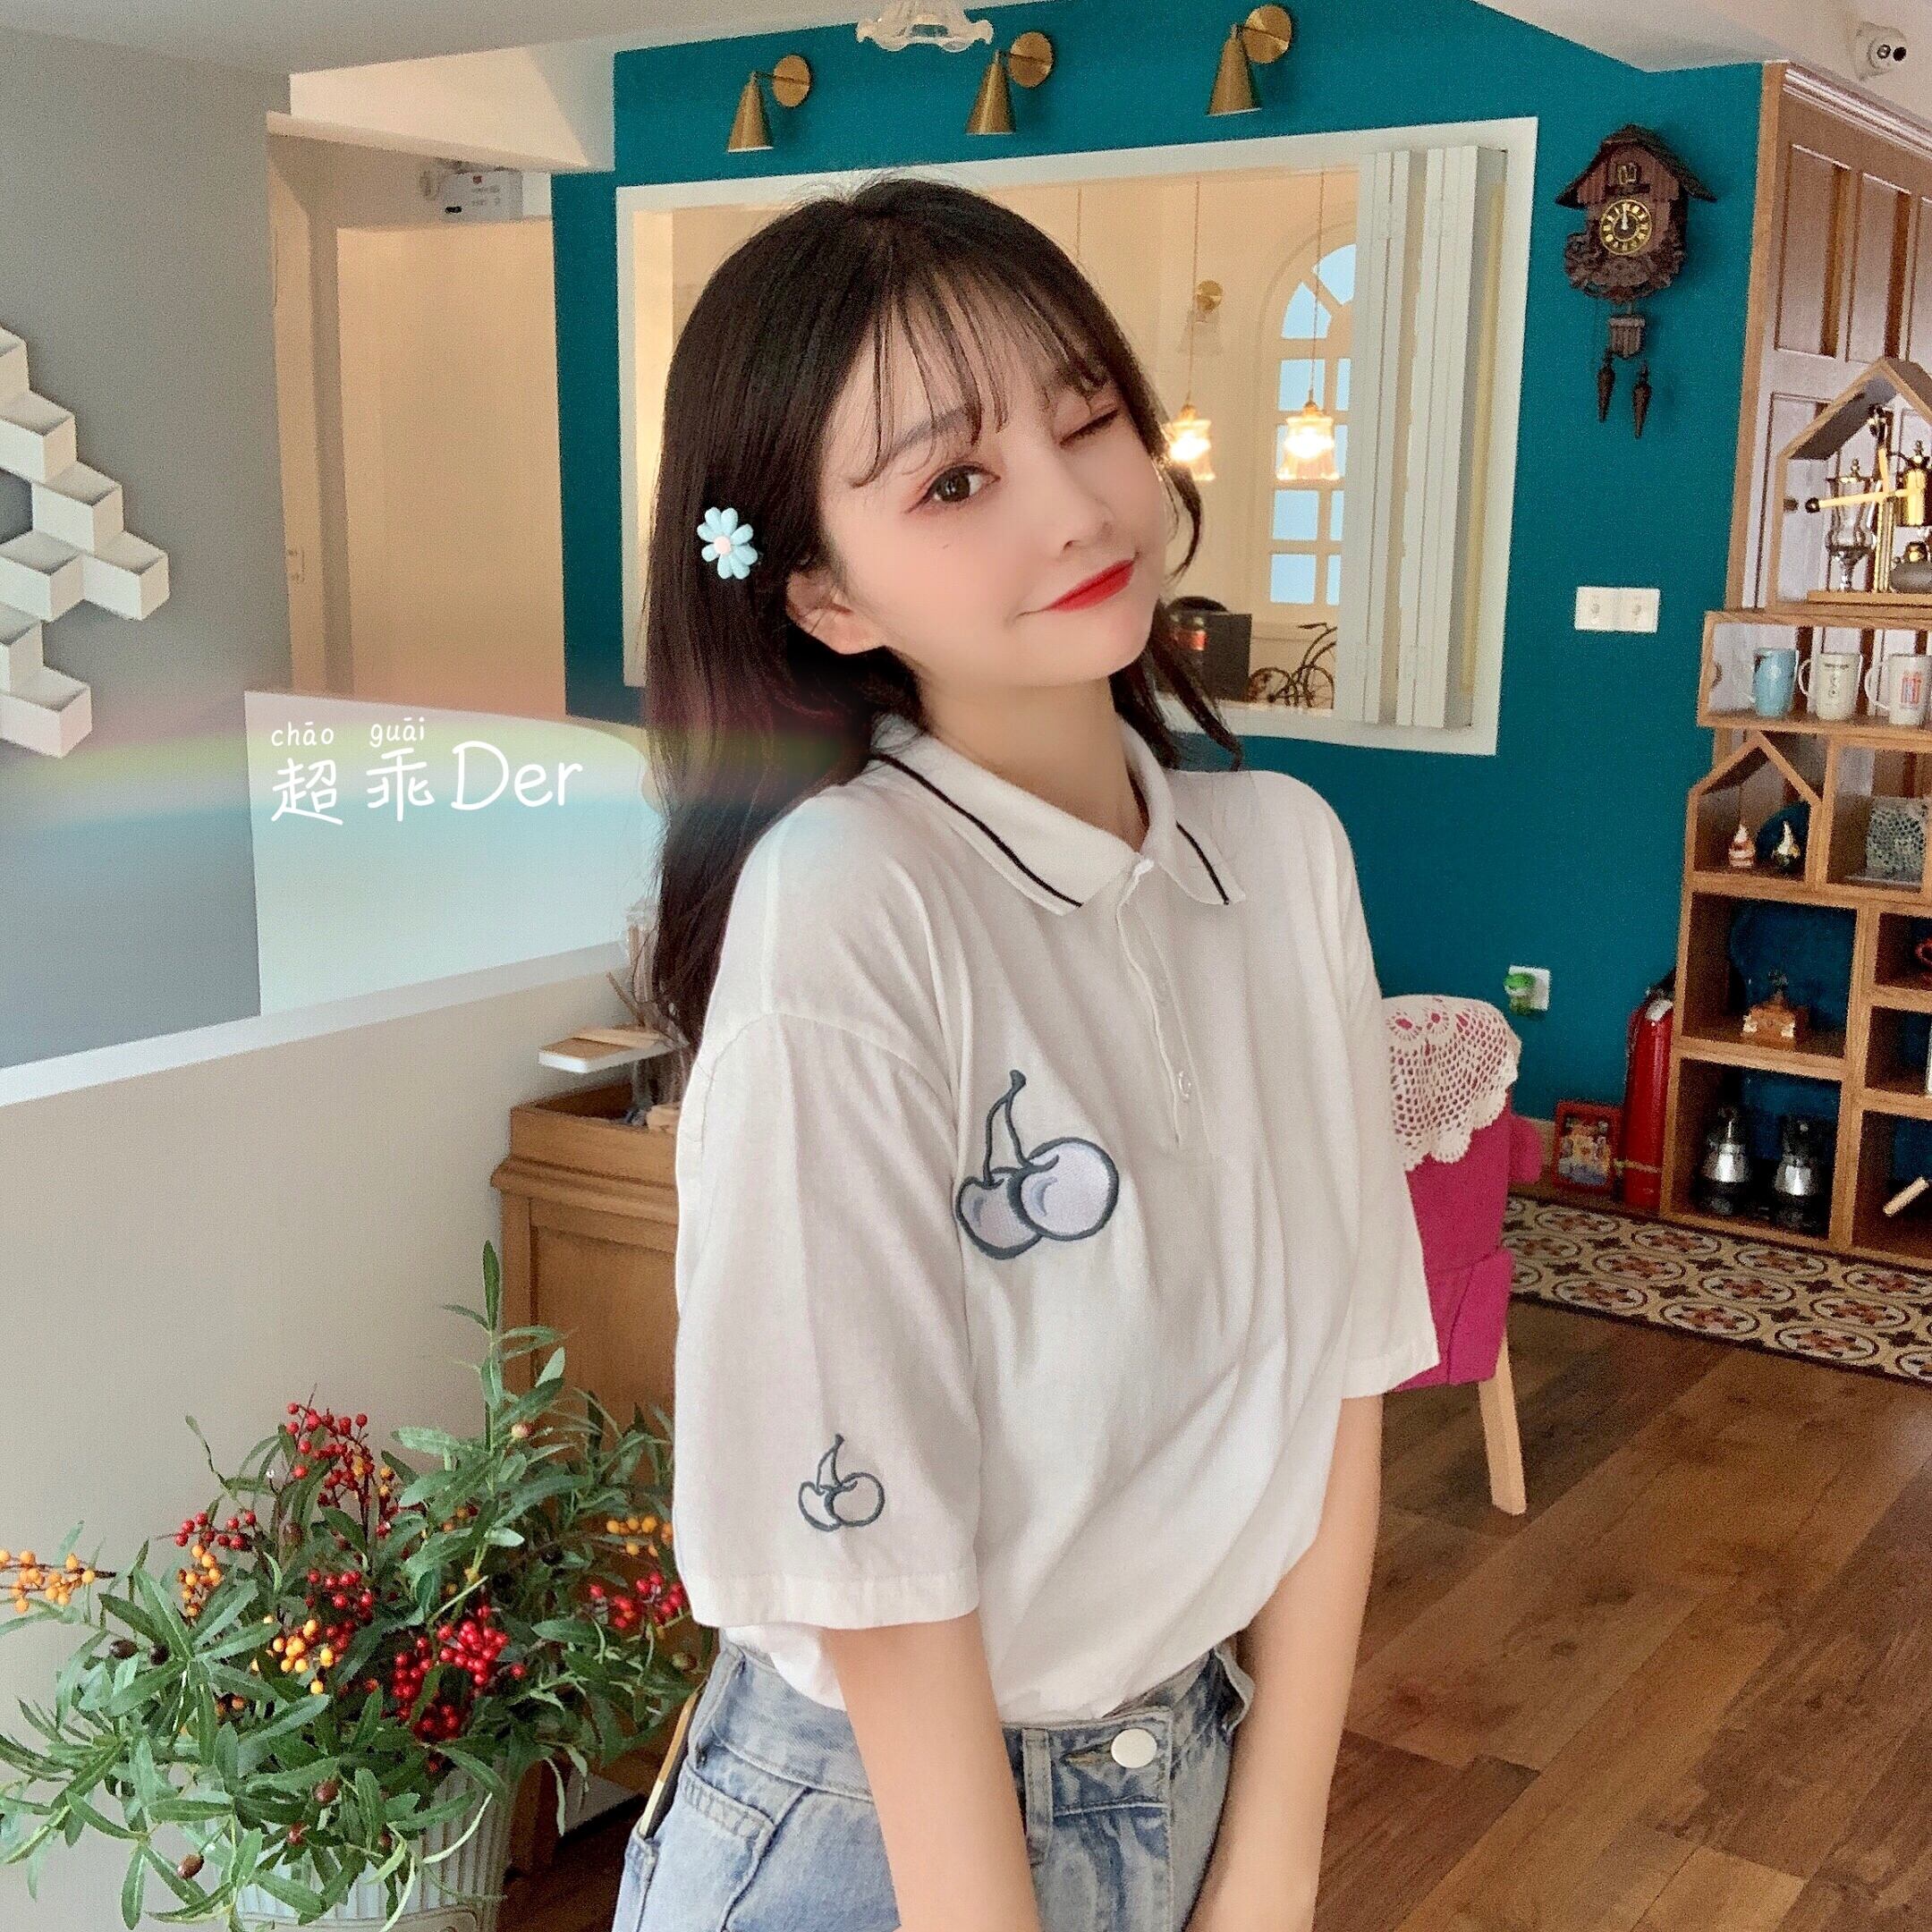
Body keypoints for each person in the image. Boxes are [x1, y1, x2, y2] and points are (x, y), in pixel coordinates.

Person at [614, 172, 1440, 1932]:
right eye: (957, 481)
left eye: (1088, 420)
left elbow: (1346, 1381)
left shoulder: (1285, 855)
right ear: (823, 593)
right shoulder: (851, 900)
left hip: (1191, 1762)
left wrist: (1277, 1857)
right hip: (880, 1838)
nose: (1079, 509)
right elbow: (872, 1560)